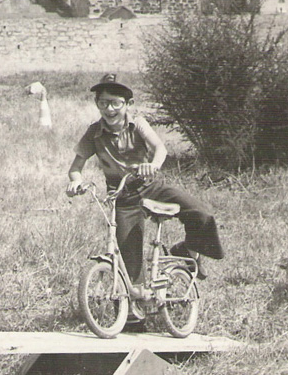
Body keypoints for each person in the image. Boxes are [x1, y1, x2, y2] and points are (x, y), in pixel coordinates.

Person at [66, 73, 224, 288]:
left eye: (115, 103)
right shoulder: (94, 132)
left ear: (128, 104)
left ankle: (186, 251)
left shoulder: (138, 124)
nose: (109, 109)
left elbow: (160, 148)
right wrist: (76, 181)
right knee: (131, 265)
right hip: (122, 197)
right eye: (103, 103)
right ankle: (134, 316)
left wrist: (153, 166)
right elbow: (76, 168)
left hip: (151, 186)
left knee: (202, 214)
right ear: (97, 104)